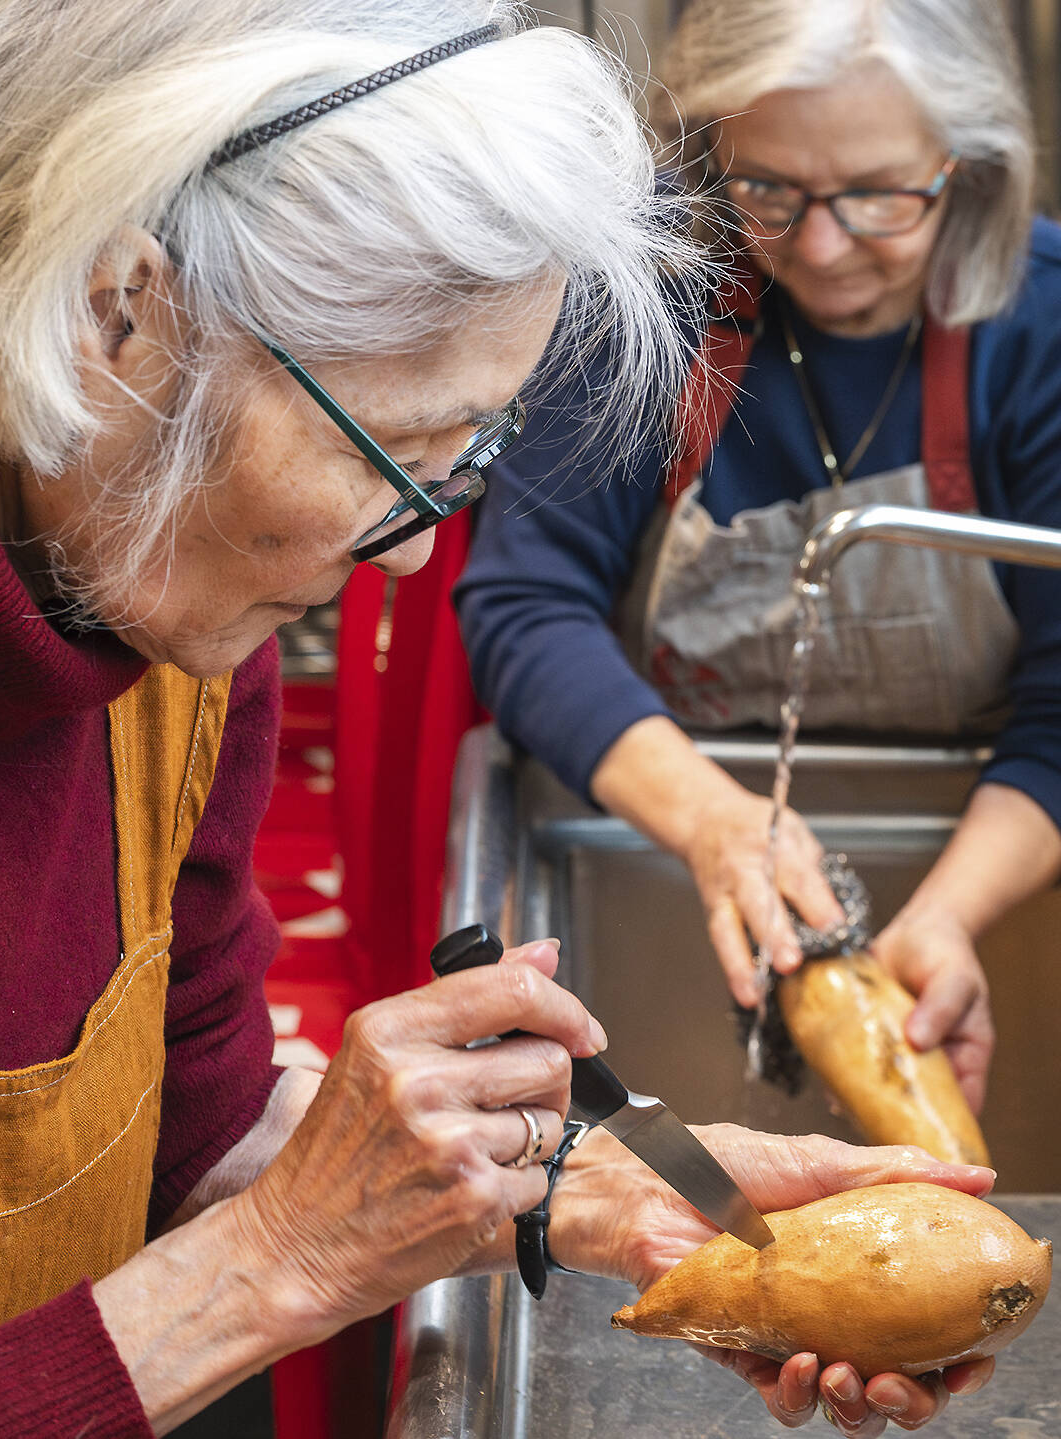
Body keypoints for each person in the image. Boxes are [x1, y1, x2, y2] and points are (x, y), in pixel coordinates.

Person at [0, 1, 995, 1434]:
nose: (406, 555)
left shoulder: (174, 638)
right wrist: (272, 1263)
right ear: (115, 317)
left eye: (465, 458)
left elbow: (191, 1098)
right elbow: (248, 1231)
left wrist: (616, 1185)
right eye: (391, 454)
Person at [456, 0, 1061, 1123]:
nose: (822, 249)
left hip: (994, 857)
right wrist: (715, 823)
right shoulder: (647, 305)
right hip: (666, 840)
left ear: (968, 168)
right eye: (769, 188)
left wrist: (945, 919)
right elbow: (528, 608)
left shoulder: (1041, 329)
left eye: (879, 195)